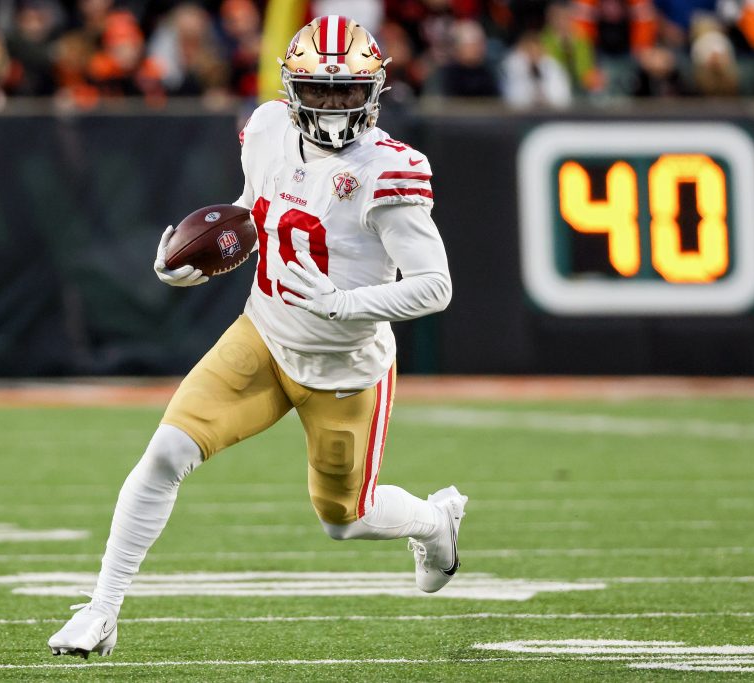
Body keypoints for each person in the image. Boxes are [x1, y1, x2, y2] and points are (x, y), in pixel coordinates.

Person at [48, 14, 466, 659]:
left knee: (344, 521)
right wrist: (200, 255)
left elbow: (434, 286)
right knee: (164, 455)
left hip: (343, 367)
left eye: (346, 90)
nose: (330, 105)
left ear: (375, 90)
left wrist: (342, 302)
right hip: (264, 335)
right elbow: (253, 210)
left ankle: (434, 521)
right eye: (317, 90)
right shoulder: (270, 128)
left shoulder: (392, 170)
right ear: (290, 88)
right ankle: (101, 610)